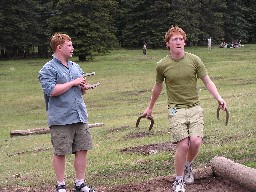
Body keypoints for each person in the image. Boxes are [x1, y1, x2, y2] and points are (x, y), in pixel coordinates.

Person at [142, 26, 227, 192]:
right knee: (182, 145)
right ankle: (178, 180)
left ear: (184, 42)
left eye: (181, 39)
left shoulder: (194, 60)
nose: (178, 42)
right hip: (175, 109)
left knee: (195, 142)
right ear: (168, 44)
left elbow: (207, 81)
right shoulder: (162, 65)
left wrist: (219, 98)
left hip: (194, 107)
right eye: (175, 39)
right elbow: (157, 87)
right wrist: (150, 107)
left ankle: (188, 165)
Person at [38, 33, 95, 192]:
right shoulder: (48, 69)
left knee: (82, 148)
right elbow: (51, 90)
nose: (72, 48)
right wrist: (73, 83)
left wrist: (83, 88)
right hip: (61, 118)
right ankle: (61, 185)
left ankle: (80, 183)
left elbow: (80, 91)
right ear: (59, 47)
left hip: (79, 115)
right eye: (69, 45)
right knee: (60, 151)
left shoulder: (76, 67)